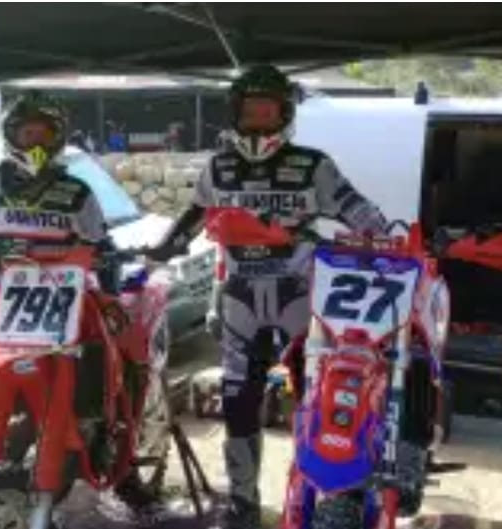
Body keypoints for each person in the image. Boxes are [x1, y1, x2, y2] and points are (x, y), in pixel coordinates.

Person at [145, 64, 387, 529]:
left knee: (317, 399)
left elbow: (357, 209)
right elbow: (192, 218)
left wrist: (383, 235)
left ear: (285, 114)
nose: (257, 122)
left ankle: (320, 495)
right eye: (249, 112)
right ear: (234, 114)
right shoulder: (219, 167)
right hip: (240, 300)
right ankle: (243, 503)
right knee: (238, 404)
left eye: (266, 112)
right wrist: (160, 250)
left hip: (303, 297)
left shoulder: (313, 165)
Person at [0, 89, 111, 463]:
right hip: (1, 309)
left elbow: (102, 246)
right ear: (12, 136)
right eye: (27, 134)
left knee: (98, 356)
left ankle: (98, 431)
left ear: (57, 138)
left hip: (65, 305)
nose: (35, 142)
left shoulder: (77, 192)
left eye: (44, 134)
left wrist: (105, 286)